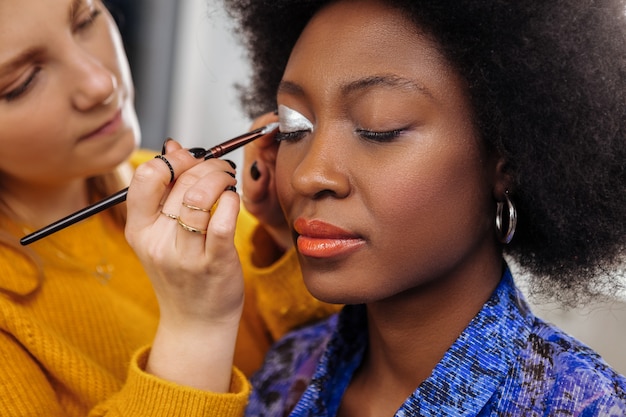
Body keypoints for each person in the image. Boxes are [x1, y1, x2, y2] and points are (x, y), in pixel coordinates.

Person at [122, 0, 626, 415]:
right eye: (297, 129)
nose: (308, 174)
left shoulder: (582, 406)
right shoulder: (283, 375)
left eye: (378, 128)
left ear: (507, 160)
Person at [0, 0, 337, 414]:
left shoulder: (167, 187)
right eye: (21, 81)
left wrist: (280, 239)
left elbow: (307, 362)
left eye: (86, 19)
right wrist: (195, 329)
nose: (100, 83)